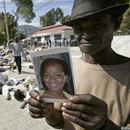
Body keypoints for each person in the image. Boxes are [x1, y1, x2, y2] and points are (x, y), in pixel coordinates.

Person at [28, 0, 130, 129]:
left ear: (116, 23)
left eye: (98, 24)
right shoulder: (67, 70)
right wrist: (49, 112)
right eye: (79, 27)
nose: (87, 34)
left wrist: (104, 126)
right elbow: (61, 122)